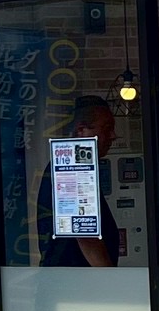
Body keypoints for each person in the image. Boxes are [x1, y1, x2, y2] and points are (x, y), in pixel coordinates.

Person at [41, 95, 119, 269]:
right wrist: (110, 277)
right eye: (107, 129)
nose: (113, 136)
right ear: (81, 131)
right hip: (77, 280)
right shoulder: (74, 163)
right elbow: (84, 233)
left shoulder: (66, 162)